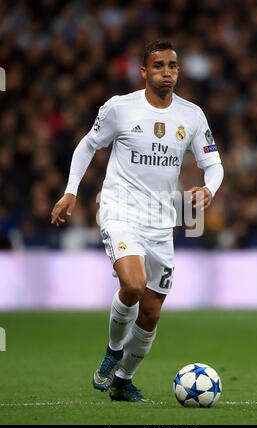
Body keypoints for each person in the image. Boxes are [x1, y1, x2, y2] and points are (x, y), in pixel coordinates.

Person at [51, 40, 224, 403]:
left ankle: (123, 381)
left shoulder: (191, 115)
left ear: (179, 70)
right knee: (133, 285)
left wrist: (209, 189)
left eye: (172, 66)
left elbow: (214, 163)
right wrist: (70, 191)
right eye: (158, 66)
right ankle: (113, 352)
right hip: (119, 210)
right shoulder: (120, 108)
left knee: (151, 311)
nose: (166, 73)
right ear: (143, 71)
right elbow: (87, 145)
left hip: (162, 222)